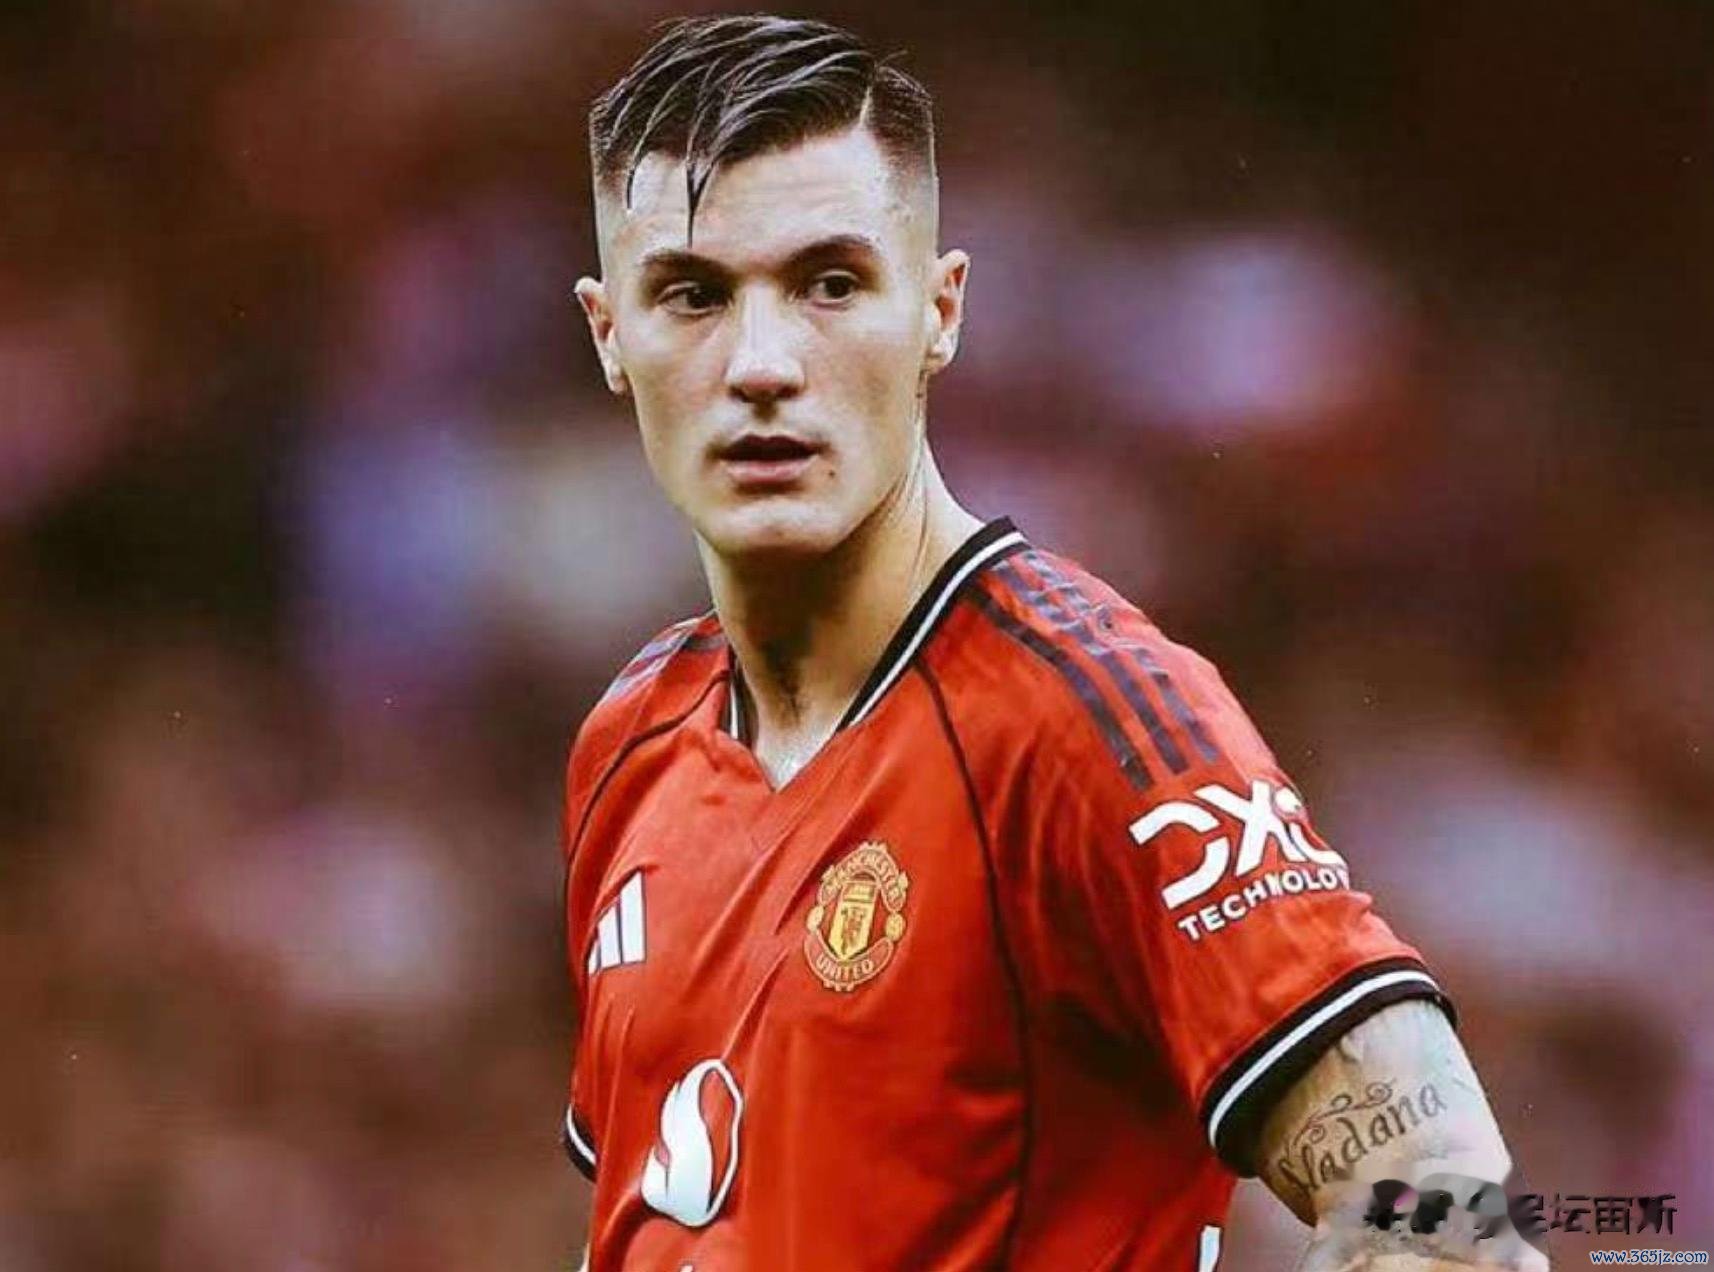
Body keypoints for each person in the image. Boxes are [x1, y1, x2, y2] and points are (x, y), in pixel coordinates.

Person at [562, 15, 1544, 1270]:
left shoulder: (1086, 718)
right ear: (609, 333)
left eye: (830, 284)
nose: (761, 364)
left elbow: (1450, 1220)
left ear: (940, 312)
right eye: (692, 295)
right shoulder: (628, 744)